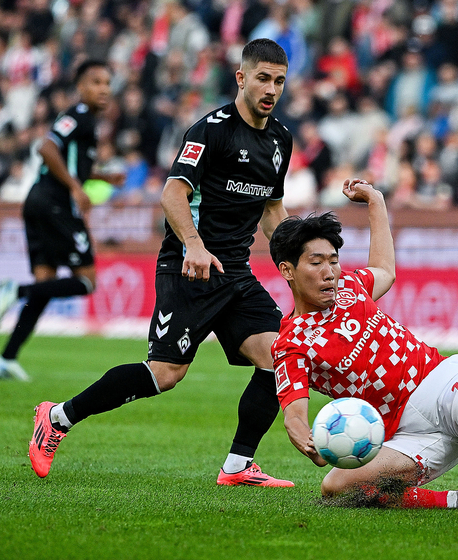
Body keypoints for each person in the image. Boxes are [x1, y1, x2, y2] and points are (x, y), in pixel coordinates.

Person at [28, 39, 295, 487]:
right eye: (263, 78)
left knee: (280, 354)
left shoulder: (280, 140)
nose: (271, 89)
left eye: (280, 81)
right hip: (187, 267)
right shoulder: (209, 131)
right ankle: (56, 417)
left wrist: (295, 261)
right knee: (166, 374)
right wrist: (192, 243)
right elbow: (172, 193)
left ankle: (237, 465)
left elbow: (272, 210)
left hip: (235, 273)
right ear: (241, 78)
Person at [268, 178, 458, 510]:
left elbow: (385, 268)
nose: (330, 272)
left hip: (436, 381)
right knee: (337, 487)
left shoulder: (352, 287)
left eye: (333, 260)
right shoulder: (291, 344)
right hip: (402, 434)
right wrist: (305, 437)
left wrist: (376, 201)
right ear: (287, 270)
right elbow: (295, 413)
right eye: (316, 263)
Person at [0, 60, 124, 381]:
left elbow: (70, 161)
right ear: (80, 87)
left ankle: (8, 357)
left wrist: (102, 177)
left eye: (107, 83)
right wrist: (76, 188)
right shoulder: (78, 115)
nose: (104, 89)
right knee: (86, 281)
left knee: (46, 283)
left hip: (38, 202)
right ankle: (16, 289)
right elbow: (46, 147)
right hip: (56, 205)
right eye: (96, 82)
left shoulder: (86, 122)